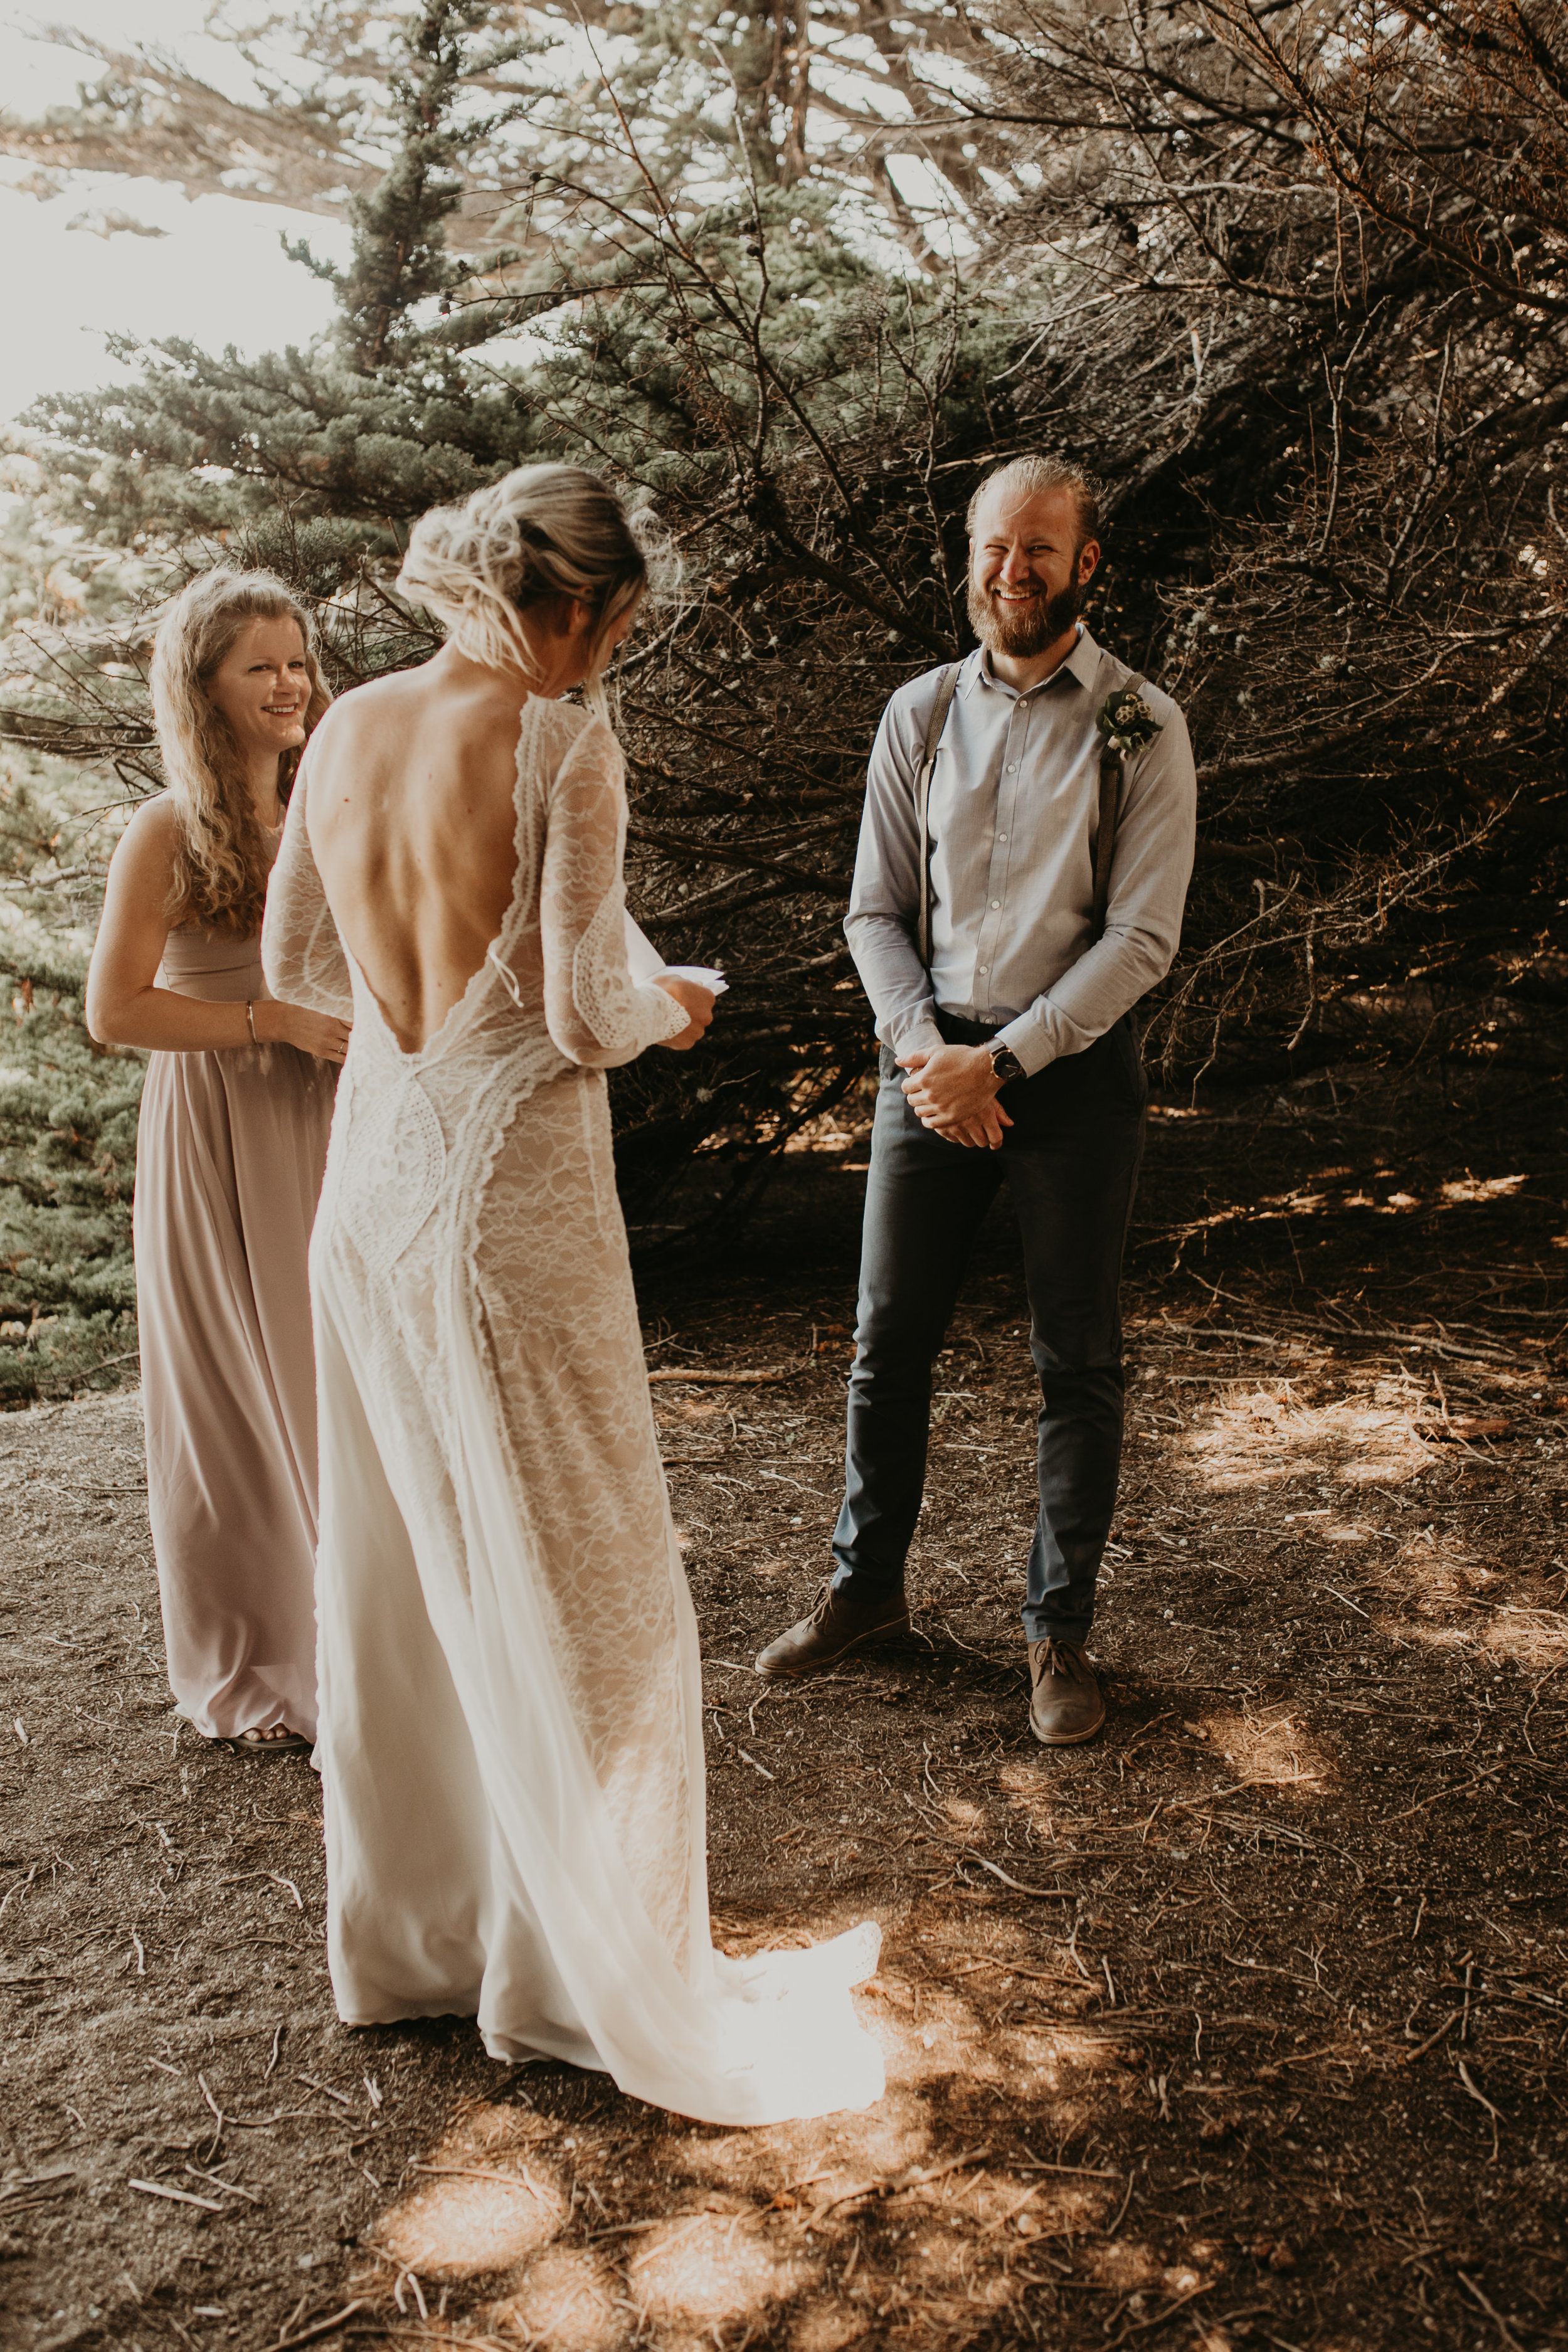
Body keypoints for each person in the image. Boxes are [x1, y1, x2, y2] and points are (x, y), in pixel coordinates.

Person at [261, 462, 882, 2125]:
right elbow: (579, 1000)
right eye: (616, 627)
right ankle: (574, 1974)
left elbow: (298, 971)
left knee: (406, 1585)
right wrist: (675, 1000)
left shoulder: (352, 725)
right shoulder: (559, 739)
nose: (610, 659)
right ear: (583, 606)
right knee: (599, 1593)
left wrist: (429, 1032)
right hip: (502, 1219)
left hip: (371, 1196)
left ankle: (423, 1941)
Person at [756, 455, 1197, 1745]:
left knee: (1077, 1360)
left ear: (1084, 564)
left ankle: (1057, 1638)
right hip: (926, 1066)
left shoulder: (1140, 725)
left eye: (1040, 552)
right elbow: (874, 909)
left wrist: (999, 1067)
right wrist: (922, 1054)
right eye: (995, 548)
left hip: (1065, 1077)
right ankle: (864, 1592)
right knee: (887, 1340)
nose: (1013, 571)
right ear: (970, 554)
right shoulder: (920, 716)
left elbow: (1141, 939)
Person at [86, 569, 349, 1757]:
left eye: (298, 660)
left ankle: (360, 1630)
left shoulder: (325, 800)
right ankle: (263, 1650)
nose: (291, 683)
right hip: (215, 1120)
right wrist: (269, 1024)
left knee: (330, 1367)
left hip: (329, 1108)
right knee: (233, 1387)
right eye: (262, 666)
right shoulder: (166, 830)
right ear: (205, 687)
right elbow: (113, 1009)